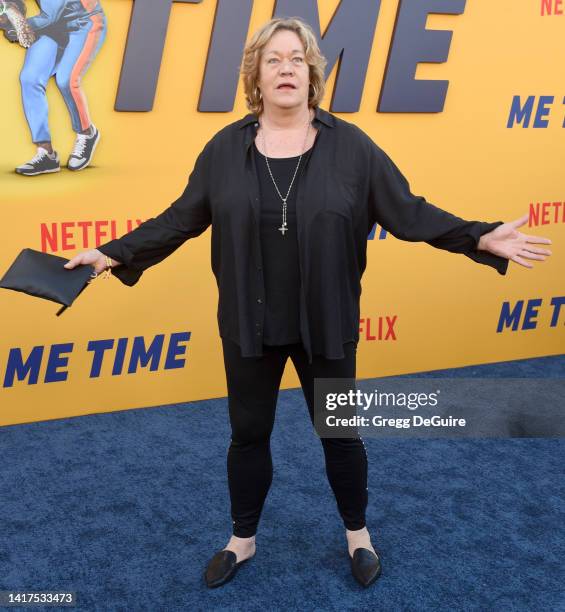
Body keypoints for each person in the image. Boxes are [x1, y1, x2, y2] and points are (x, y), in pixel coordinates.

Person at [63, 17, 552, 589]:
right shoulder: (224, 150)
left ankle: (357, 535)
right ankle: (241, 540)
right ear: (256, 77)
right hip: (250, 322)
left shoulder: (353, 149)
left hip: (326, 321)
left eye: (297, 58)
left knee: (340, 433)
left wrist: (479, 234)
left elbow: (409, 211)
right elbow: (179, 220)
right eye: (274, 60)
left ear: (312, 74)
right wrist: (111, 253)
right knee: (248, 433)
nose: (287, 68)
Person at [5, 0, 106, 176]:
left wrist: (21, 25)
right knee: (30, 79)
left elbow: (49, 16)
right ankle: (46, 154)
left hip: (84, 24)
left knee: (67, 80)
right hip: (52, 29)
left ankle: (87, 133)